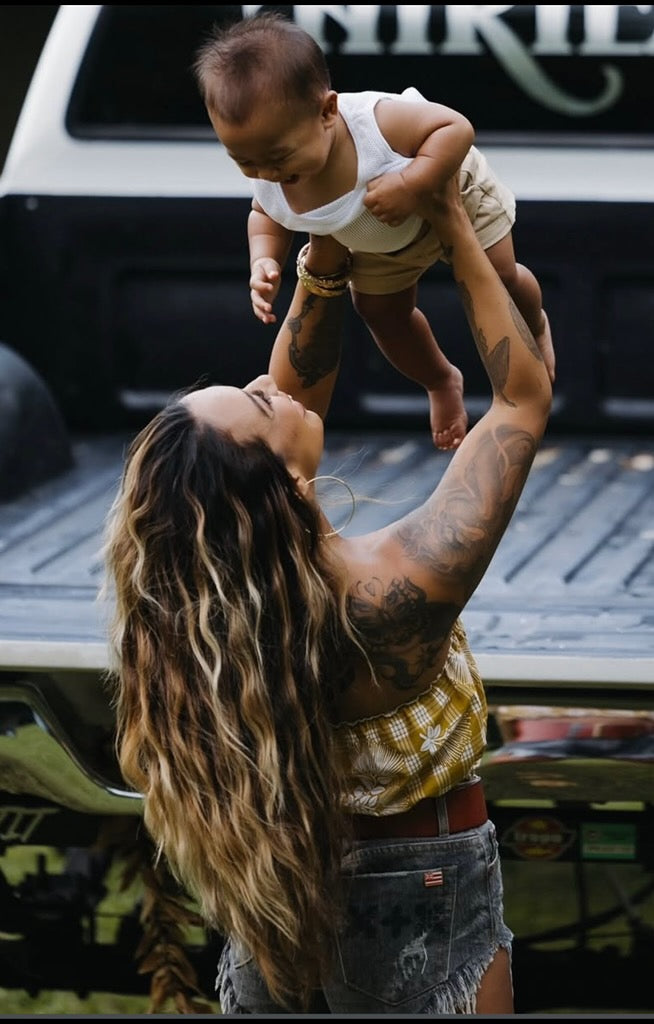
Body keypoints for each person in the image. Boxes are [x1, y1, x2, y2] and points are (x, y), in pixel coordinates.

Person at [102, 175, 552, 1015]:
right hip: (426, 889)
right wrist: (453, 219)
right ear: (278, 488)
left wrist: (330, 237)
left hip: (282, 897)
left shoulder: (202, 624)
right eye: (257, 400)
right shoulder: (392, 593)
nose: (273, 384)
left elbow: (295, 399)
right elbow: (523, 397)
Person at [192, 10, 555, 452]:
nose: (266, 172)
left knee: (501, 277)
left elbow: (455, 128)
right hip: (379, 237)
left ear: (327, 111)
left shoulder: (374, 123)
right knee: (381, 314)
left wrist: (413, 181)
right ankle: (440, 380)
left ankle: (534, 326)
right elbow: (264, 214)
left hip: (451, 191)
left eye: (278, 156)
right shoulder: (269, 171)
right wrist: (264, 259)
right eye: (243, 161)